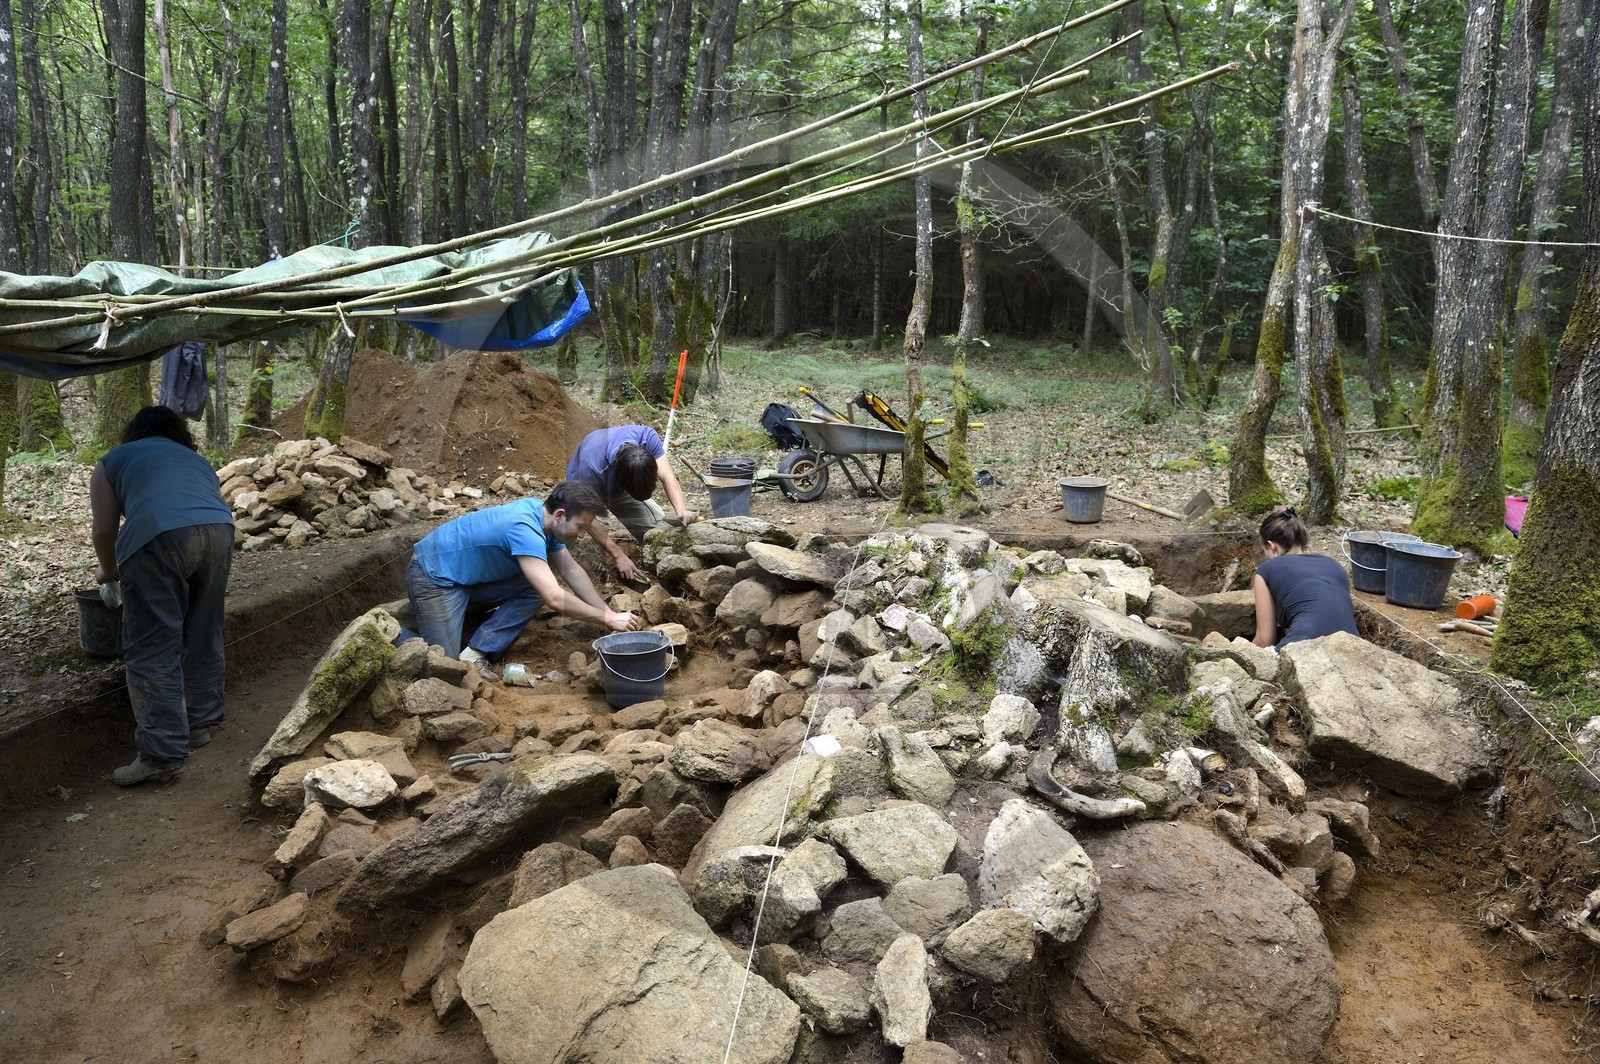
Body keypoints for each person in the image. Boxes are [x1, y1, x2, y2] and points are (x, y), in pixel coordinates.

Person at [90, 406, 235, 786]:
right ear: (178, 433)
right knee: (203, 629)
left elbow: (104, 531)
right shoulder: (196, 460)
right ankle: (198, 724)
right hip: (219, 530)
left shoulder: (112, 461)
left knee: (152, 644)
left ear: (132, 431)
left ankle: (161, 754)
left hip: (158, 536)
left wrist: (109, 573)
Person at [406, 479, 638, 680]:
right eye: (581, 526)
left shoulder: (545, 520)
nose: (582, 534)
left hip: (468, 576)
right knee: (443, 667)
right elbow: (555, 599)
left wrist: (611, 617)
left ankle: (476, 651)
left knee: (538, 583)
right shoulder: (524, 528)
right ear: (560, 515)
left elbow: (572, 571)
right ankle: (389, 632)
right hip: (435, 576)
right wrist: (607, 618)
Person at [566, 425, 699, 581]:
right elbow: (586, 519)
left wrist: (681, 510)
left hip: (620, 479)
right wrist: (619, 555)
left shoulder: (646, 437)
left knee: (656, 532)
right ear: (621, 482)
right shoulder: (590, 469)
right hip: (584, 485)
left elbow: (668, 476)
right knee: (567, 530)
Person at [1252, 507, 1359, 648]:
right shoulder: (1334, 565)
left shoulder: (1266, 570)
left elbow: (1264, 640)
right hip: (1353, 648)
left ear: (1272, 546)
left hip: (1303, 649)